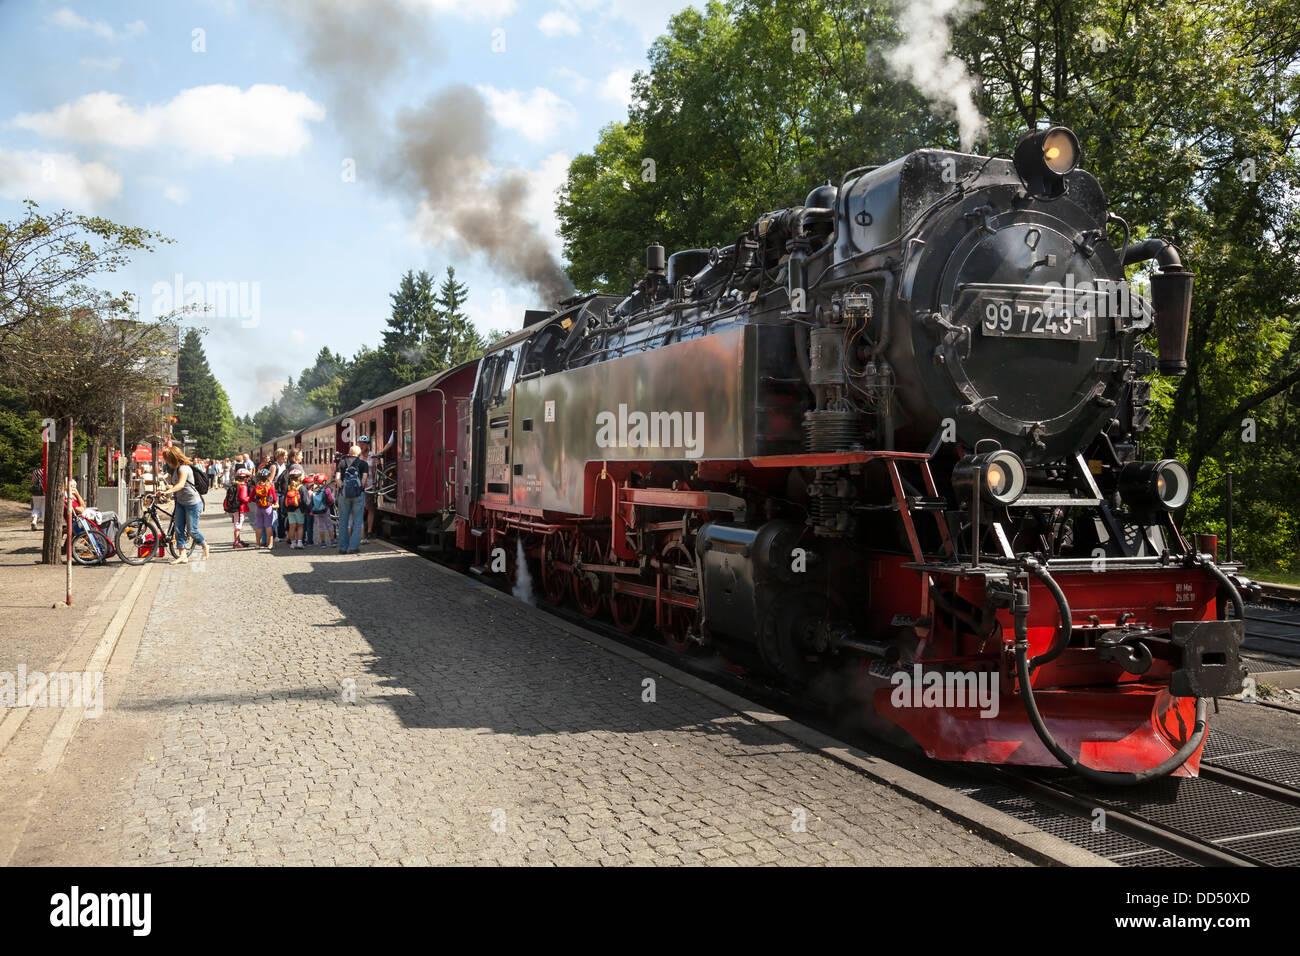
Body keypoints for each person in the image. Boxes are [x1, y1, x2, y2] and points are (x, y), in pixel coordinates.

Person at [159, 446, 208, 564]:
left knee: (192, 530)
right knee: (178, 529)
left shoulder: (184, 469)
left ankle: (205, 545)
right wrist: (167, 488)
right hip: (181, 502)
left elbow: (181, 485)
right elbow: (178, 486)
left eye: (167, 459)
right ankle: (182, 556)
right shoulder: (175, 469)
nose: (166, 461)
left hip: (193, 504)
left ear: (173, 458)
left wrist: (168, 491)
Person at [333, 443, 368, 554]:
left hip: (344, 495)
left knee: (343, 521)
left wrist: (343, 488)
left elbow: (337, 479)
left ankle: (343, 548)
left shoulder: (342, 462)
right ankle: (353, 547)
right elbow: (363, 481)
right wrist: (358, 489)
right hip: (358, 495)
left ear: (349, 452)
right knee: (357, 521)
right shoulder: (363, 464)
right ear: (359, 453)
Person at [250, 468, 278, 549]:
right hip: (268, 508)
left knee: (258, 526)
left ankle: (257, 544)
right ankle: (270, 544)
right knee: (268, 526)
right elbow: (275, 499)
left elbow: (251, 498)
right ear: (268, 477)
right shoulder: (270, 487)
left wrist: (257, 501)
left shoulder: (256, 487)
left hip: (258, 508)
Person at [225, 467, 252, 548]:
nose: (248, 479)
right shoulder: (243, 486)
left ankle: (238, 540)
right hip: (240, 508)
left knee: (237, 524)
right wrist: (250, 499)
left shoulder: (235, 484)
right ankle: (236, 542)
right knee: (238, 525)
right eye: (247, 477)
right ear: (244, 478)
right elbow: (243, 498)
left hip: (236, 508)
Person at [308, 475, 335, 548]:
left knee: (321, 526)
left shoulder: (313, 491)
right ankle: (332, 541)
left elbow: (311, 501)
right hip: (326, 510)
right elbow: (331, 500)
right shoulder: (327, 490)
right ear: (323, 482)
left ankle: (323, 542)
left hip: (317, 511)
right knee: (329, 525)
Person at [283, 472, 308, 549]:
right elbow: (305, 500)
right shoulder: (302, 488)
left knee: (291, 526)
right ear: (300, 478)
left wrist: (285, 509)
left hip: (290, 510)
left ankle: (293, 543)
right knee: (300, 526)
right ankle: (299, 543)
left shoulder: (288, 488)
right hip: (299, 510)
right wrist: (308, 509)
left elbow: (284, 499)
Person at [30, 463, 45, 531]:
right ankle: (45, 524)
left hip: (36, 493)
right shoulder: (47, 471)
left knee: (36, 508)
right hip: (45, 492)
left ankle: (34, 521)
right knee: (44, 509)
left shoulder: (35, 471)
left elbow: (33, 481)